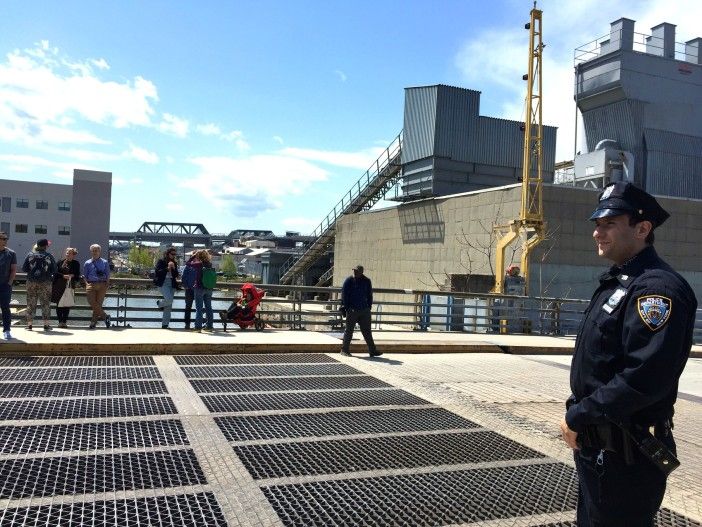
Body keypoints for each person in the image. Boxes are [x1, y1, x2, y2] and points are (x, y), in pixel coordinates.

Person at [560, 182, 697, 526]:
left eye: (608, 224)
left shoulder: (656, 289)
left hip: (626, 454)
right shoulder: (621, 281)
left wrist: (579, 415)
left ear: (642, 228)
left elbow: (644, 377)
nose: (597, 233)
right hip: (602, 446)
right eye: (596, 224)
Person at [340, 265, 381, 357]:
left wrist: (368, 307)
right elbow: (344, 295)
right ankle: (344, 350)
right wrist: (346, 308)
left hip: (364, 310)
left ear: (361, 272)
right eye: (354, 270)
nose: (354, 272)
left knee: (367, 331)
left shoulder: (367, 281)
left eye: (357, 271)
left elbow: (369, 295)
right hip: (352, 310)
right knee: (349, 330)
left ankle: (372, 350)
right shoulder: (349, 280)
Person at [21, 238, 57, 331]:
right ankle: (46, 325)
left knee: (30, 303)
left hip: (31, 282)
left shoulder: (30, 255)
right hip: (45, 282)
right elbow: (54, 270)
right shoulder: (49, 256)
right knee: (45, 303)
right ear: (45, 246)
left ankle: (29, 325)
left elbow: (24, 269)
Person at [84, 244, 111, 329]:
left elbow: (108, 274)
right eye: (93, 250)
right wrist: (86, 284)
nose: (95, 252)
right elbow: (84, 275)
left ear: (99, 252)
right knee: (91, 302)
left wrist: (107, 283)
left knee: (98, 304)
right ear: (91, 251)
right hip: (91, 284)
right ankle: (105, 316)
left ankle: (93, 323)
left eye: (96, 250)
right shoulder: (87, 263)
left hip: (102, 284)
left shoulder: (105, 262)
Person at [51, 248, 80, 328]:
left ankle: (64, 322)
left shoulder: (76, 263)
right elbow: (55, 273)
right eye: (67, 253)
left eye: (70, 253)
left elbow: (77, 275)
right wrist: (63, 274)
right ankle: (60, 322)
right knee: (59, 304)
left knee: (67, 304)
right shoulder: (60, 262)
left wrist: (72, 275)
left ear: (73, 255)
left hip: (69, 285)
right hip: (59, 285)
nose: (68, 254)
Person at [186, 250, 214, 332]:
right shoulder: (209, 264)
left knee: (199, 308)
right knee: (209, 307)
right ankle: (210, 326)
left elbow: (187, 263)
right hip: (209, 288)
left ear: (199, 256)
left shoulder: (199, 264)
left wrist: (193, 256)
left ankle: (198, 327)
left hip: (199, 288)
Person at [154, 247, 180, 329]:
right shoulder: (161, 261)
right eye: (172, 254)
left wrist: (174, 269)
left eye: (174, 254)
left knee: (169, 306)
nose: (173, 256)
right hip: (163, 283)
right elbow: (157, 272)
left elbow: (176, 275)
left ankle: (165, 325)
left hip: (171, 284)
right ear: (168, 253)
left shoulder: (174, 262)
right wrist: (167, 268)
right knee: (169, 300)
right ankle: (159, 303)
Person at [0, 232, 17, 340]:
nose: (6, 240)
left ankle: (7, 330)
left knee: (5, 308)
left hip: (5, 286)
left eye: (6, 239)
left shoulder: (11, 253)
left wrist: (9, 283)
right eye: (3, 238)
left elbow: (13, 270)